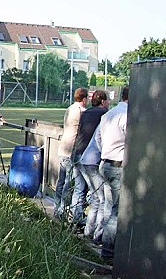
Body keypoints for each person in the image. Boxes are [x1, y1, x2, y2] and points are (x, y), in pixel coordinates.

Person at [70, 90, 110, 232]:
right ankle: (93, 230)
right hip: (89, 156)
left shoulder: (86, 112)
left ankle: (76, 221)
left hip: (77, 152)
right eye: (108, 100)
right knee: (98, 196)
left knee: (79, 189)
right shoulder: (104, 114)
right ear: (103, 101)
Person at [98, 86, 129, 262]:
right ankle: (109, 251)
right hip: (118, 166)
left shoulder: (108, 114)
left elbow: (98, 138)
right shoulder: (126, 116)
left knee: (109, 207)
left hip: (106, 163)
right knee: (116, 212)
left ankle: (102, 241)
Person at [54, 87, 88, 219]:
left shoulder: (70, 108)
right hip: (71, 150)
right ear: (84, 99)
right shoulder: (82, 111)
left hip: (62, 148)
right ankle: (63, 211)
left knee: (61, 181)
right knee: (69, 183)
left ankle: (58, 208)